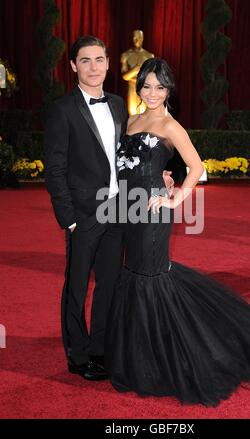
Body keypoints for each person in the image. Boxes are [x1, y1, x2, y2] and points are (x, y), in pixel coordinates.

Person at [105, 58, 250, 406]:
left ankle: (158, 362)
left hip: (152, 213)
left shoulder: (170, 125)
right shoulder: (132, 119)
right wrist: (158, 176)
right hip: (126, 211)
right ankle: (136, 356)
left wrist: (174, 200)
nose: (153, 92)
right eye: (147, 85)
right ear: (139, 86)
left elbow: (197, 167)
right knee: (133, 273)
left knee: (149, 276)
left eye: (160, 87)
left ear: (168, 89)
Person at [44, 37, 173, 381]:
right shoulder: (62, 110)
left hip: (118, 211)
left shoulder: (118, 104)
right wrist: (68, 219)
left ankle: (100, 349)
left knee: (109, 284)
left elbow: (130, 155)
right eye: (85, 61)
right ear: (73, 66)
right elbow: (54, 169)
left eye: (99, 59)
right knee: (76, 287)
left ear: (107, 63)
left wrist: (158, 173)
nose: (93, 67)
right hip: (83, 215)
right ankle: (78, 354)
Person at [121, 29, 154, 115]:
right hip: (132, 87)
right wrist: (135, 69)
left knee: (144, 114)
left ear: (142, 38)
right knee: (132, 114)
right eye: (134, 38)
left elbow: (151, 76)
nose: (136, 40)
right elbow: (124, 76)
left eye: (138, 37)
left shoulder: (149, 56)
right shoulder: (126, 55)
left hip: (144, 88)